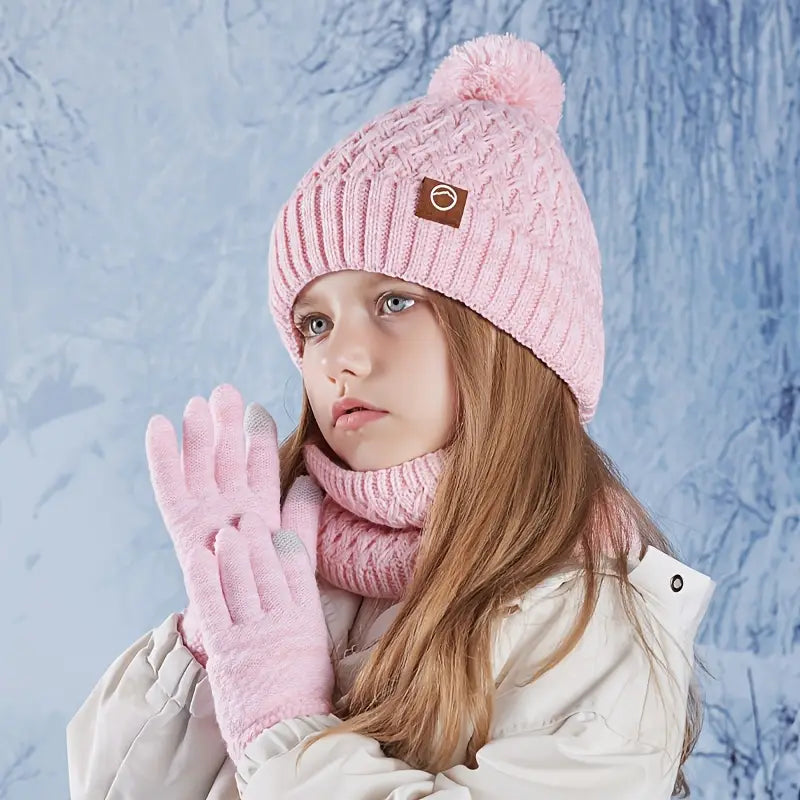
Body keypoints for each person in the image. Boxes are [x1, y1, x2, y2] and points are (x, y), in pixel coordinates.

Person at [66, 32, 716, 799]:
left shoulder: (583, 620)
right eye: (315, 323)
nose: (341, 358)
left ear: (512, 339)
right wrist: (211, 644)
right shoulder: (291, 562)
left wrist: (283, 727)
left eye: (395, 301)